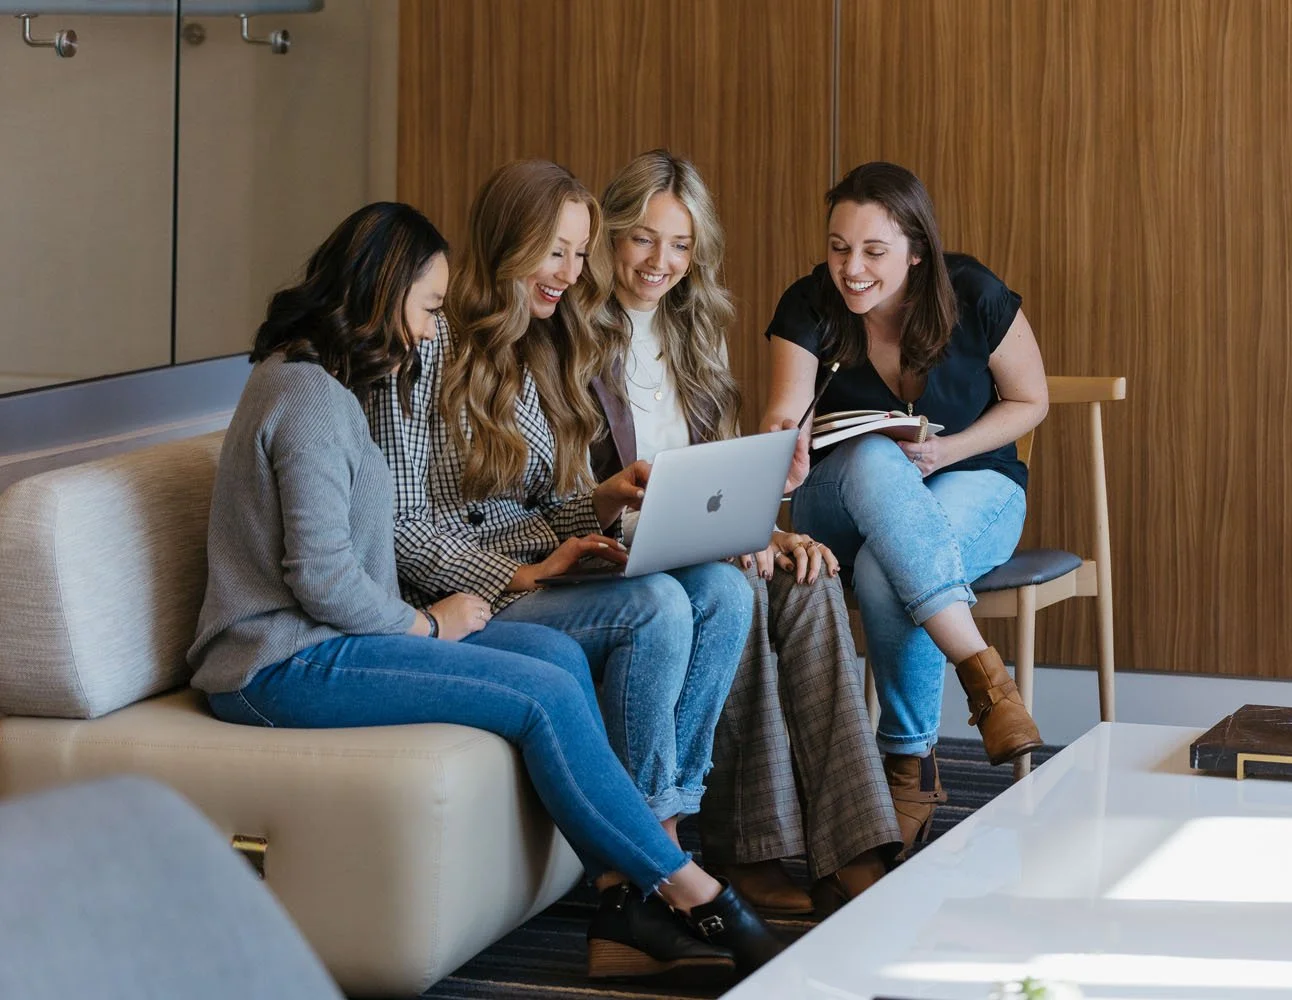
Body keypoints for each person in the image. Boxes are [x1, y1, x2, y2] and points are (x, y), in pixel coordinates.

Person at [187, 202, 780, 983]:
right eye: (428, 309)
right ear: (377, 293)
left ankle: (629, 893)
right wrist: (429, 624)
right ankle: (691, 891)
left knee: (553, 653)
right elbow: (321, 577)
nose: (434, 330)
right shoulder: (309, 400)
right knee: (540, 692)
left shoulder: (320, 385)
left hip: (329, 639)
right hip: (276, 663)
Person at [361, 164, 759, 964]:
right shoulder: (422, 349)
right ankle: (638, 885)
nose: (571, 276)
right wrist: (520, 576)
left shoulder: (541, 344)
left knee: (722, 590)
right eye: (556, 254)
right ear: (509, 246)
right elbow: (399, 530)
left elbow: (533, 511)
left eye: (580, 257)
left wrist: (601, 503)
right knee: (657, 607)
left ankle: (661, 841)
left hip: (535, 570)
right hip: (455, 596)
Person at [590, 150, 902, 916]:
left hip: (693, 542)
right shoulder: (572, 337)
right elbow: (579, 490)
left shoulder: (693, 337)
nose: (661, 263)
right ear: (610, 237)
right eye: (643, 239)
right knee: (743, 585)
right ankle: (759, 847)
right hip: (617, 551)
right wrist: (731, 539)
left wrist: (767, 525)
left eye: (682, 245)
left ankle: (850, 843)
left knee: (806, 577)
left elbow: (712, 477)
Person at [760, 162, 1049, 855]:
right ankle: (984, 676)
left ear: (917, 250)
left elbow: (1030, 400)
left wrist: (947, 454)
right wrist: (786, 443)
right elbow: (783, 410)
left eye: (872, 251)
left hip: (975, 482)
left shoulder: (973, 293)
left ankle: (910, 769)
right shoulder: (808, 304)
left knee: (892, 569)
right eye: (837, 248)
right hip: (843, 503)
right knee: (869, 458)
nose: (850, 269)